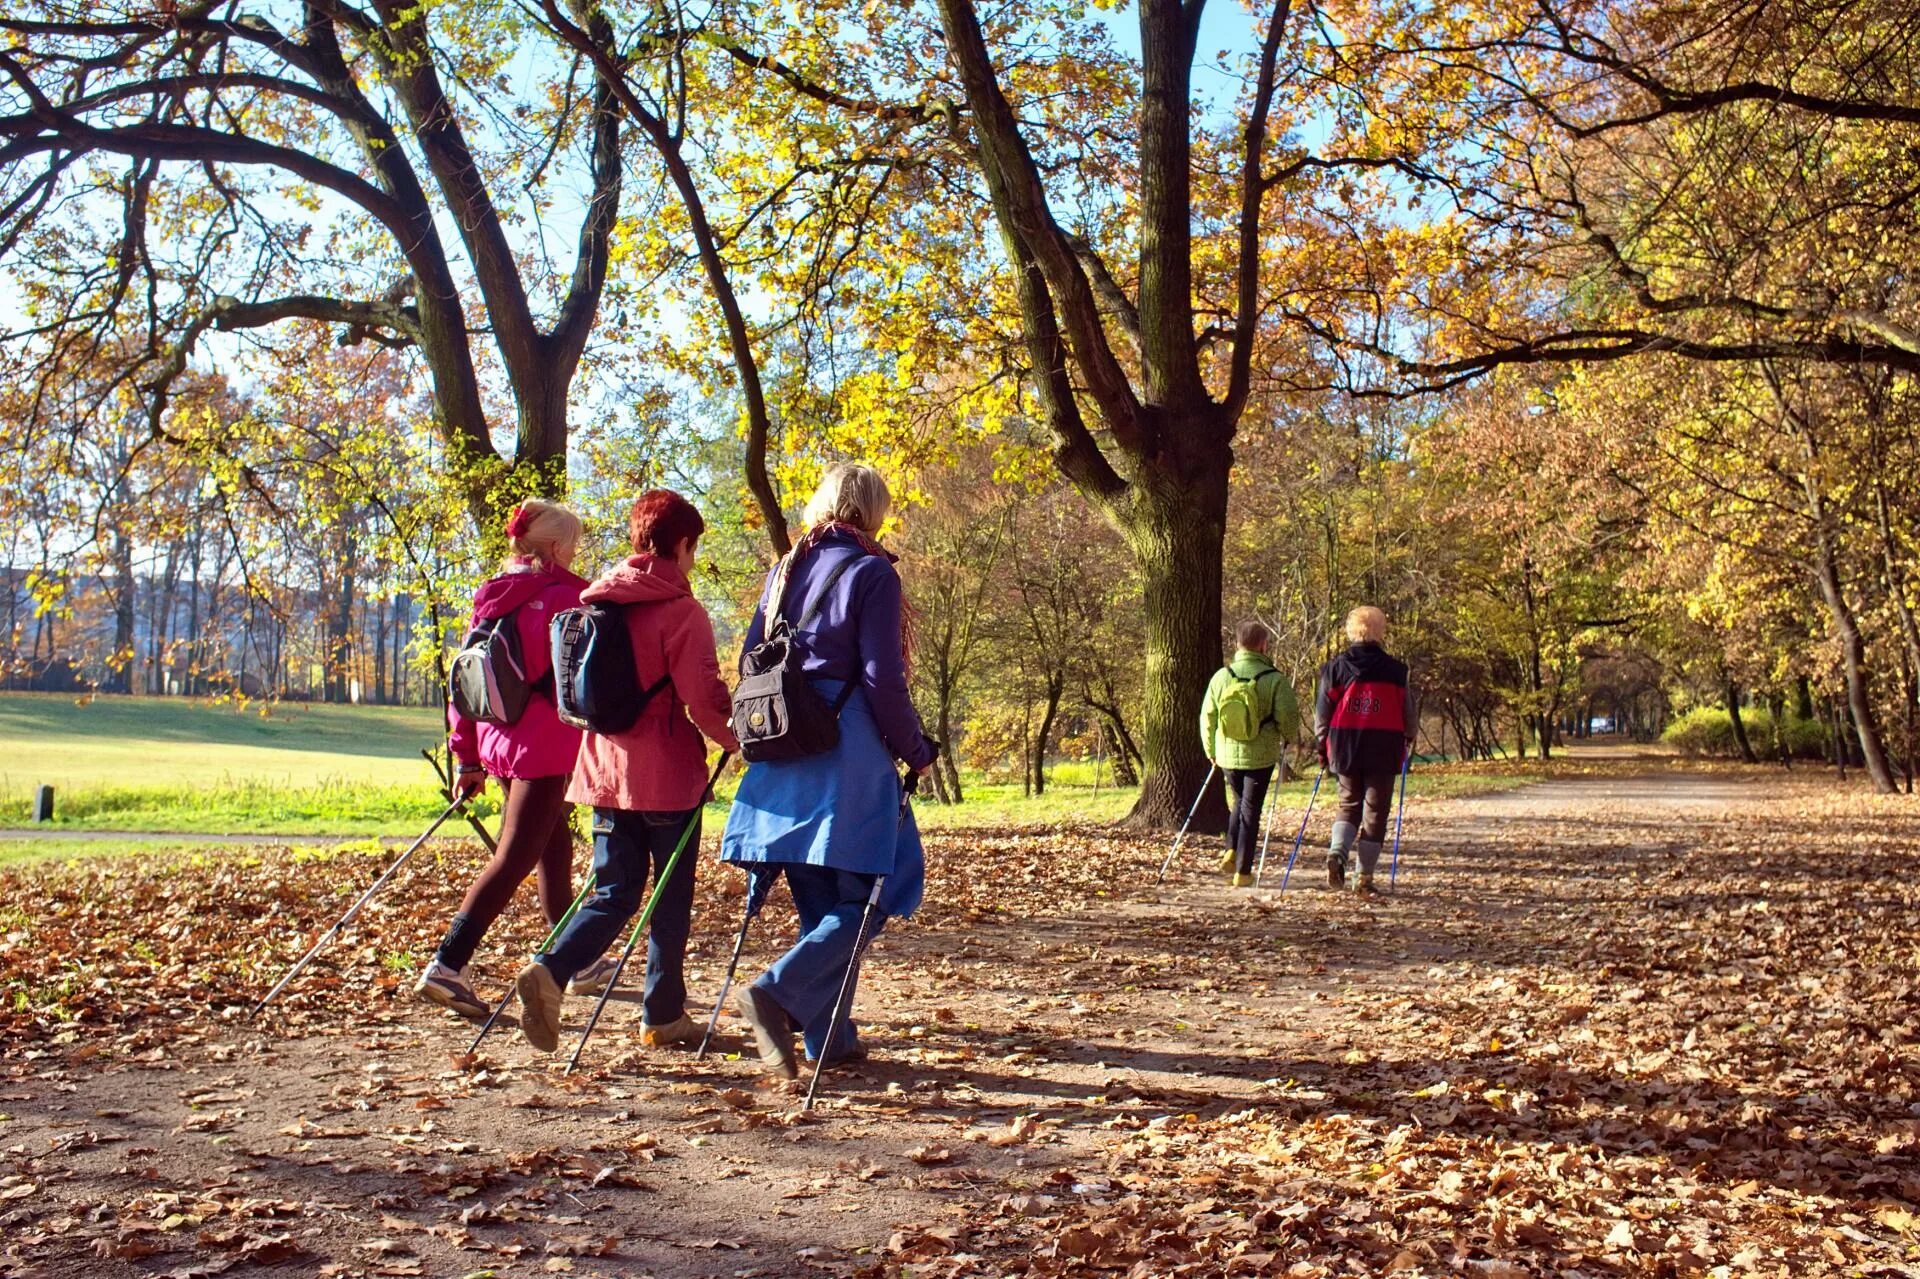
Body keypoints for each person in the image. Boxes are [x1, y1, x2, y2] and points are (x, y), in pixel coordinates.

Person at [720, 462, 938, 1079]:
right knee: (881, 887)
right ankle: (779, 990)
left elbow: (749, 660)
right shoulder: (872, 573)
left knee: (820, 893)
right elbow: (882, 678)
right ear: (874, 512)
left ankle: (829, 1037)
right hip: (849, 746)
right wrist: (915, 748)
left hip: (783, 746)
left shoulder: (782, 570)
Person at [513, 489, 740, 1053]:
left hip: (602, 770)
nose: (691, 560)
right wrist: (740, 740)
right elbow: (703, 698)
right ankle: (662, 1015)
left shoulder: (597, 602)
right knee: (669, 896)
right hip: (666, 774)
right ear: (682, 544)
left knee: (613, 891)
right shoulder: (681, 611)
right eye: (692, 548)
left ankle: (551, 967)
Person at [417, 498, 599, 1019]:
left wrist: (467, 757)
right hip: (544, 748)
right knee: (515, 856)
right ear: (558, 546)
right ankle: (448, 964)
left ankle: (575, 961)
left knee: (552, 847)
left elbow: (465, 681)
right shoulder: (568, 596)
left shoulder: (493, 596)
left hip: (498, 741)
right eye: (574, 543)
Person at [1314, 605, 1416, 896]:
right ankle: (1364, 878)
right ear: (1380, 631)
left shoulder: (1334, 668)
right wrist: (1409, 737)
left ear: (1351, 630)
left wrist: (1323, 745)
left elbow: (1322, 713)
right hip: (1384, 746)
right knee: (1375, 811)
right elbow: (1408, 712)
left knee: (1348, 804)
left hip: (1345, 745)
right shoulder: (1396, 671)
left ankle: (1338, 850)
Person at [1200, 620, 1300, 887]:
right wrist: (1289, 738)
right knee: (1250, 809)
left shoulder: (1221, 676)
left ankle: (1230, 850)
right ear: (1263, 645)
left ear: (1237, 644)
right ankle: (1243, 872)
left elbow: (1207, 716)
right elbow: (1288, 715)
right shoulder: (1274, 679)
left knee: (1239, 802)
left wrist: (1210, 749)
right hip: (1261, 754)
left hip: (1227, 754)